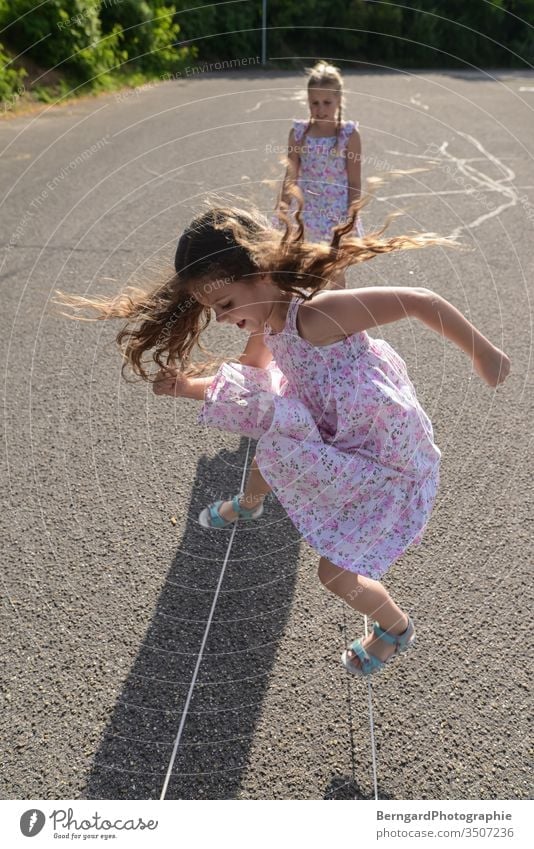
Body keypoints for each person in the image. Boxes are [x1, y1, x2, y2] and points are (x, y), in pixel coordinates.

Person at [56, 204, 510, 678]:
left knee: (332, 574)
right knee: (275, 435)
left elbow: (419, 300)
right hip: (335, 428)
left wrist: (484, 354)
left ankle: (395, 628)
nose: (222, 319)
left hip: (383, 452)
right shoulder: (268, 325)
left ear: (262, 272)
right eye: (214, 311)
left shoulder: (316, 315)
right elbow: (250, 379)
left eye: (226, 304)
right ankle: (250, 503)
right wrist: (185, 385)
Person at [274, 60, 363, 289]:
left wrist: (351, 217)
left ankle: (342, 320)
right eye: (314, 102)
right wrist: (283, 208)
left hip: (336, 214)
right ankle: (308, 318)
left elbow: (354, 183)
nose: (320, 109)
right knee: (306, 269)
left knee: (334, 270)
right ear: (307, 101)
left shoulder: (349, 136)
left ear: (339, 100)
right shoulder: (298, 133)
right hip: (307, 213)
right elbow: (290, 175)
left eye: (327, 102)